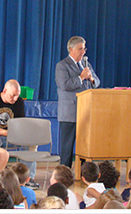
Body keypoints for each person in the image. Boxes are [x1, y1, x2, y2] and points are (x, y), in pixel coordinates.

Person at [55, 36, 100, 168]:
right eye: (80, 49)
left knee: (85, 145)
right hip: (70, 112)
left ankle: (84, 172)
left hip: (86, 113)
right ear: (71, 49)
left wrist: (91, 79)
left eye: (84, 48)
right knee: (67, 147)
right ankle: (64, 172)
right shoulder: (62, 65)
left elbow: (97, 82)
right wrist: (81, 78)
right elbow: (64, 85)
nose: (83, 52)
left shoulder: (86, 65)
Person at [0, 79, 38, 189]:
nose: (15, 99)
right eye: (12, 95)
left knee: (31, 143)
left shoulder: (19, 102)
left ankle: (27, 178)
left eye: (17, 96)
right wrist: (6, 133)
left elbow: (20, 123)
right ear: (4, 91)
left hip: (12, 134)